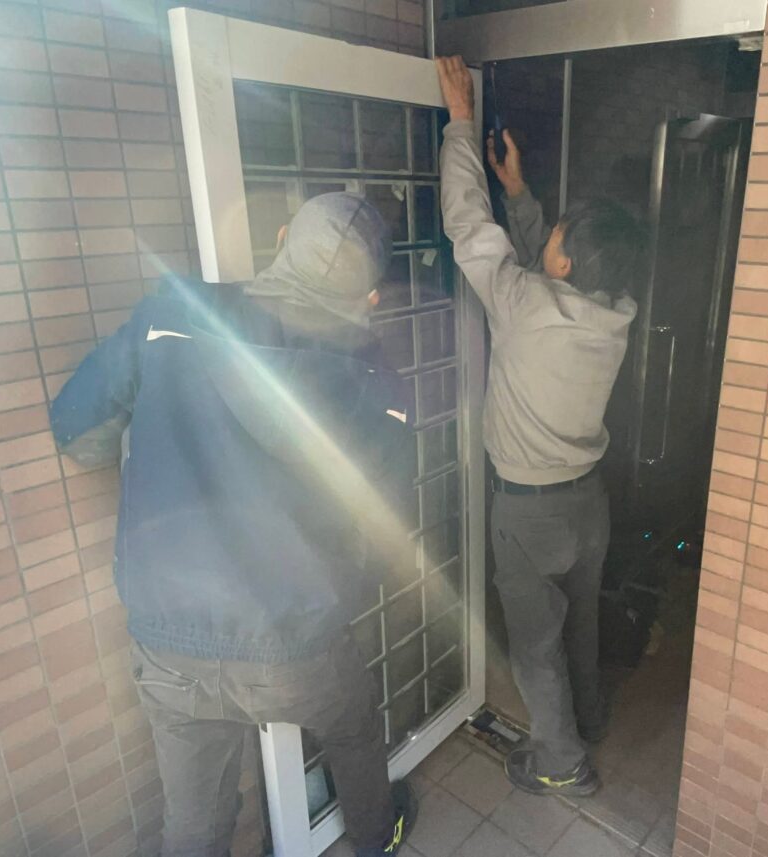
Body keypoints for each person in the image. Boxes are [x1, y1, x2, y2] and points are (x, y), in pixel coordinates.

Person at [51, 193, 418, 857]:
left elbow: (76, 430)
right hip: (297, 641)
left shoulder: (173, 318)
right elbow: (387, 518)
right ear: (369, 295)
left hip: (171, 639)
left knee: (195, 821)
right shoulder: (373, 378)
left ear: (279, 239)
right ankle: (378, 838)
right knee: (354, 728)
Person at [436, 56, 643, 797]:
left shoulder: (524, 304)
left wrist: (460, 122)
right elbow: (537, 266)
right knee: (579, 621)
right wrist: (521, 195)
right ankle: (588, 719)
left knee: (535, 642)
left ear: (565, 262)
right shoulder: (612, 312)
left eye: (556, 232)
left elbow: (468, 223)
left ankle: (561, 760)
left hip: (529, 512)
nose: (547, 234)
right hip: (588, 504)